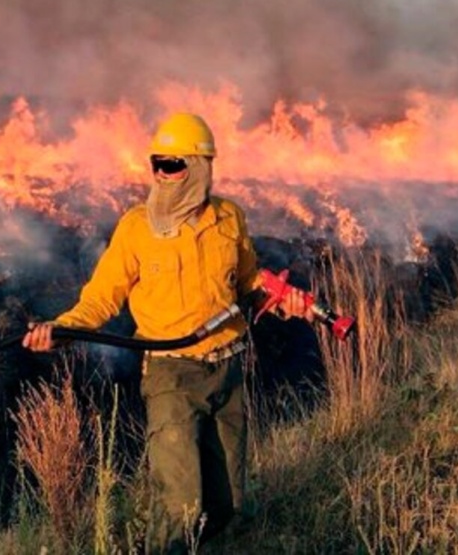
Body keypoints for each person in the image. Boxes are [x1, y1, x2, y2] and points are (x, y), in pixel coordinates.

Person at [23, 112, 311, 553]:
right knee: (181, 504)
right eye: (158, 163)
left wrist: (283, 302)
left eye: (174, 164)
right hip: (171, 375)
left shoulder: (229, 218)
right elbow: (101, 297)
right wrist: (63, 329)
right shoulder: (137, 228)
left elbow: (248, 285)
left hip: (227, 369)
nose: (164, 173)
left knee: (227, 503)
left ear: (200, 167)